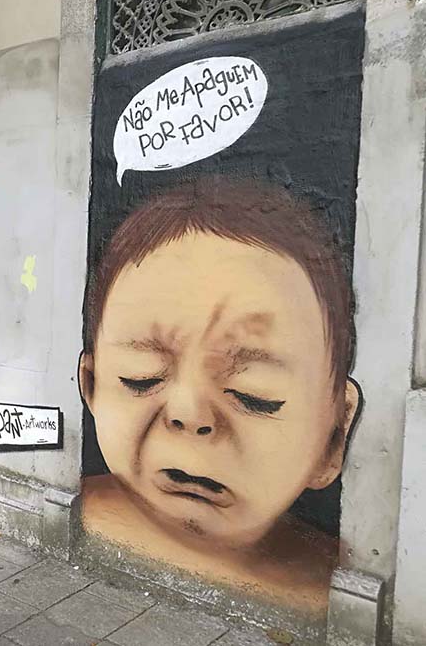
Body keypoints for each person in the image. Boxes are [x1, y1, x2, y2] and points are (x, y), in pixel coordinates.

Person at [79, 178, 360, 609]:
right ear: (91, 386)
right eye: (142, 378)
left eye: (254, 395)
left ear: (334, 438)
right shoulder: (73, 510)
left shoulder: (336, 589)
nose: (189, 413)